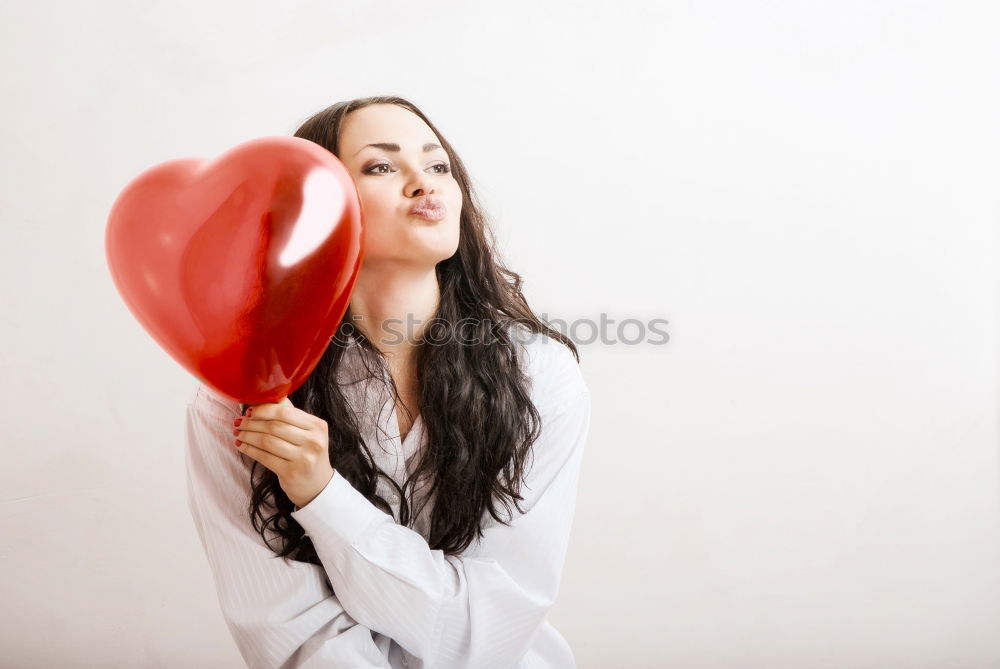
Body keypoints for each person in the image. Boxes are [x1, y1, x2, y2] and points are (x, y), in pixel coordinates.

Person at [184, 95, 591, 668]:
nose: (424, 184)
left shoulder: (539, 372)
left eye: (438, 165)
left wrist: (322, 496)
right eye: (380, 166)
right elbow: (289, 633)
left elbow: (486, 631)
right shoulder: (243, 393)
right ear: (315, 206)